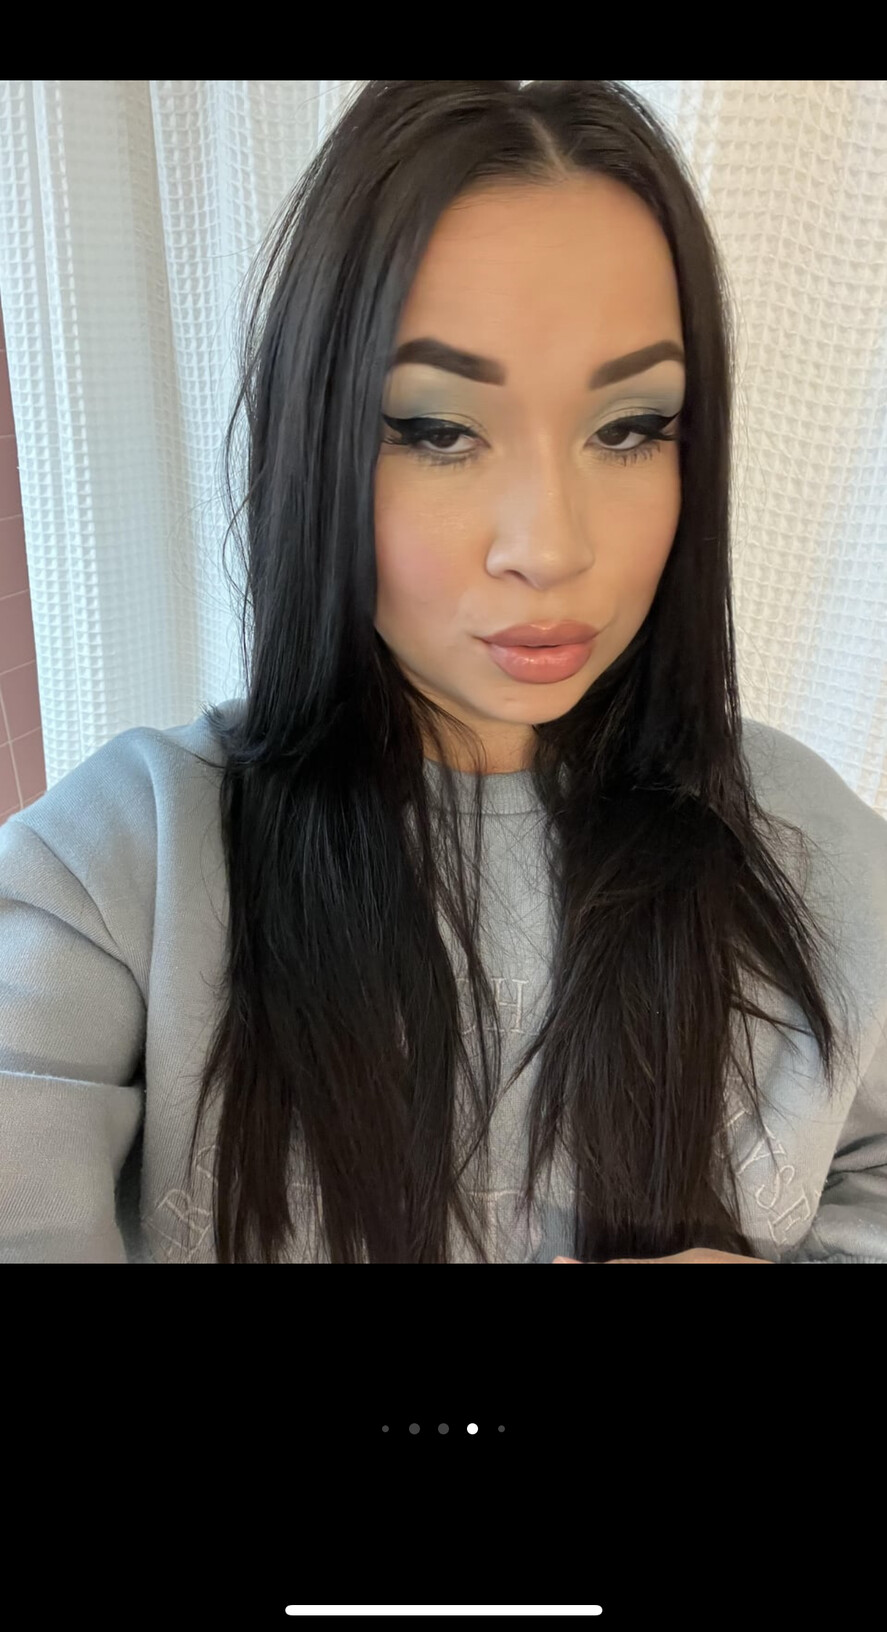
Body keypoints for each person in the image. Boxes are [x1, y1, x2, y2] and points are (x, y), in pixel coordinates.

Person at [2, 80, 885, 1264]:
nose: (550, 549)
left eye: (628, 427)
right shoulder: (115, 873)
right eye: (436, 430)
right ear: (317, 440)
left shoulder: (815, 851)